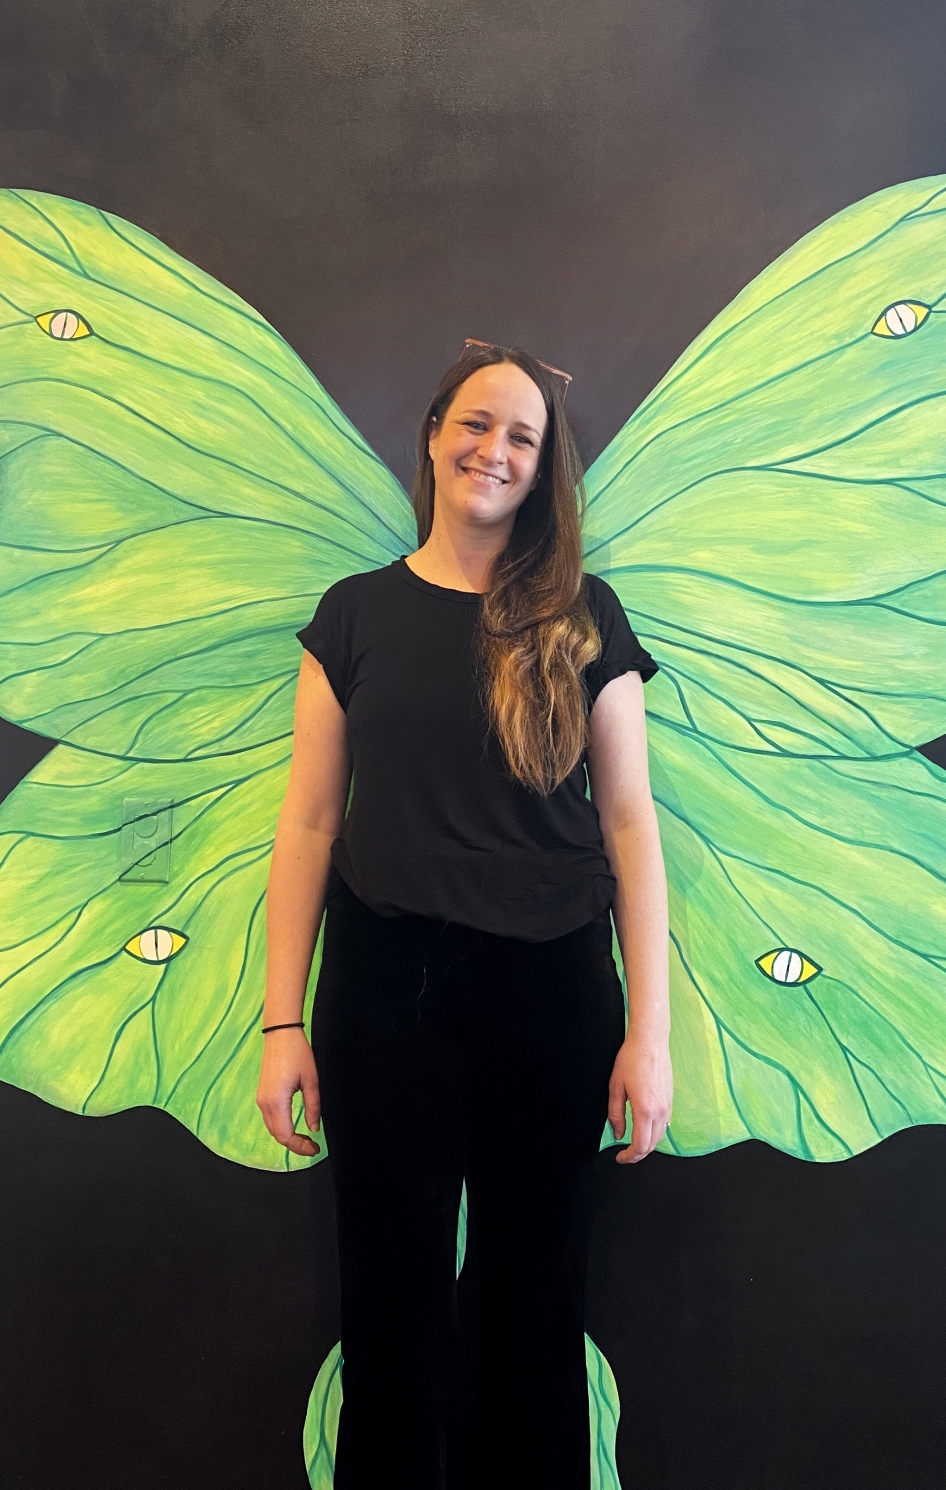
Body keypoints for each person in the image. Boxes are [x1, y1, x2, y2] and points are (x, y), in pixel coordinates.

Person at [255, 339, 673, 1490]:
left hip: (550, 994)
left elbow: (631, 826)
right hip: (385, 993)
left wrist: (651, 1033)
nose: (494, 449)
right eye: (475, 424)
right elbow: (307, 827)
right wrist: (278, 1024)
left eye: (522, 437)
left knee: (531, 1310)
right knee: (387, 1308)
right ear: (434, 436)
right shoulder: (352, 616)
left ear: (543, 471)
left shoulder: (584, 616)